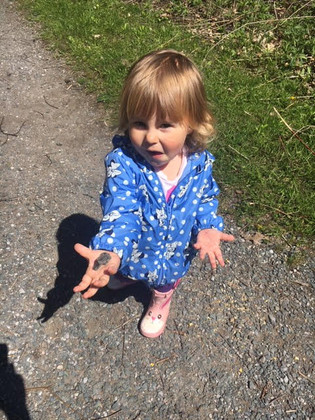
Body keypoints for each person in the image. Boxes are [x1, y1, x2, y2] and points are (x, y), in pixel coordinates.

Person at [73, 49, 235, 338]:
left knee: (165, 281)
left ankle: (160, 300)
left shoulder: (199, 163)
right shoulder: (125, 164)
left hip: (174, 252)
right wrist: (110, 251)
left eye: (165, 125)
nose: (149, 137)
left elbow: (205, 198)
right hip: (136, 247)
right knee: (128, 266)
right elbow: (121, 211)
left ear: (192, 123)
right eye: (139, 123)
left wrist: (208, 227)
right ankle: (123, 272)